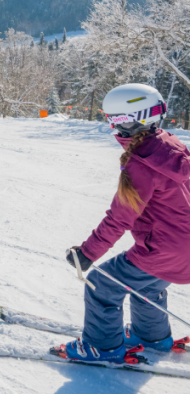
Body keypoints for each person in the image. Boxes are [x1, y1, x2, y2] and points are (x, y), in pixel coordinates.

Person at [59, 83, 190, 363]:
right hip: (184, 249)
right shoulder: (172, 146)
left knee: (101, 285)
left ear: (130, 121)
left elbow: (120, 216)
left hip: (165, 251)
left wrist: (87, 253)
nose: (112, 128)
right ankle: (150, 335)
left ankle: (101, 347)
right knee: (148, 285)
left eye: (114, 121)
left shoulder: (141, 164)